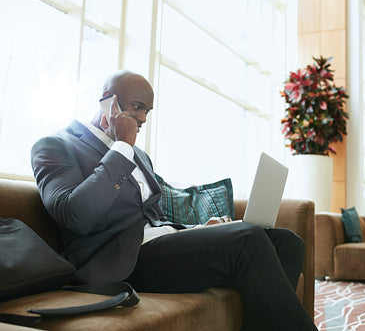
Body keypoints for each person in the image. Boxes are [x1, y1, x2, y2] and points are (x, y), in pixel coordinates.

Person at [31, 70, 318, 330]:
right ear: (109, 102)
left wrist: (201, 230)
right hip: (117, 264)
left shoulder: (140, 156)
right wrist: (120, 147)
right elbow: (74, 215)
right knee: (247, 239)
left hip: (154, 249)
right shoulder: (56, 146)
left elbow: (151, 220)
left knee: (287, 242)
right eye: (137, 107)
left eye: (148, 110)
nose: (143, 118)